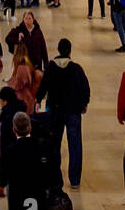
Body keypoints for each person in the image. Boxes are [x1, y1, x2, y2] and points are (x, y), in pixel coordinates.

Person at [35, 37, 90, 188]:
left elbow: (43, 86)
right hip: (73, 111)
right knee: (75, 144)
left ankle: (55, 174)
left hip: (54, 110)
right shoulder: (76, 68)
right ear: (70, 51)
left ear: (58, 50)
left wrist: (38, 100)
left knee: (54, 143)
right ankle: (75, 179)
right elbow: (85, 88)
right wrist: (84, 104)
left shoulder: (51, 67)